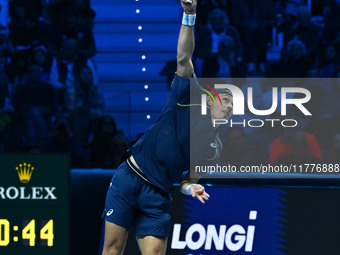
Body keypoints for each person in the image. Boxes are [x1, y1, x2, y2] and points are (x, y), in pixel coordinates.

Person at [101, 1, 233, 254]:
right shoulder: (186, 100)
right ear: (209, 100)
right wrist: (190, 15)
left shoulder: (213, 149)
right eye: (225, 100)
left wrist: (191, 187)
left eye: (232, 104)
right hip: (128, 178)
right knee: (113, 249)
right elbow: (184, 59)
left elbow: (187, 180)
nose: (228, 107)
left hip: (158, 196)